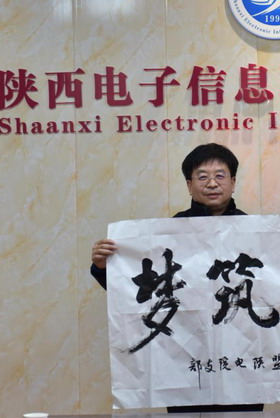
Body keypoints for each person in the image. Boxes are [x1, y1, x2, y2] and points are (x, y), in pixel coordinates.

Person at [90, 142, 263, 414]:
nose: (212, 184)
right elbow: (137, 292)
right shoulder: (168, 233)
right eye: (202, 176)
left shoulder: (257, 233)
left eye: (220, 176)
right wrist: (103, 266)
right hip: (184, 357)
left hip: (241, 356)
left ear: (233, 182)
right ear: (189, 185)